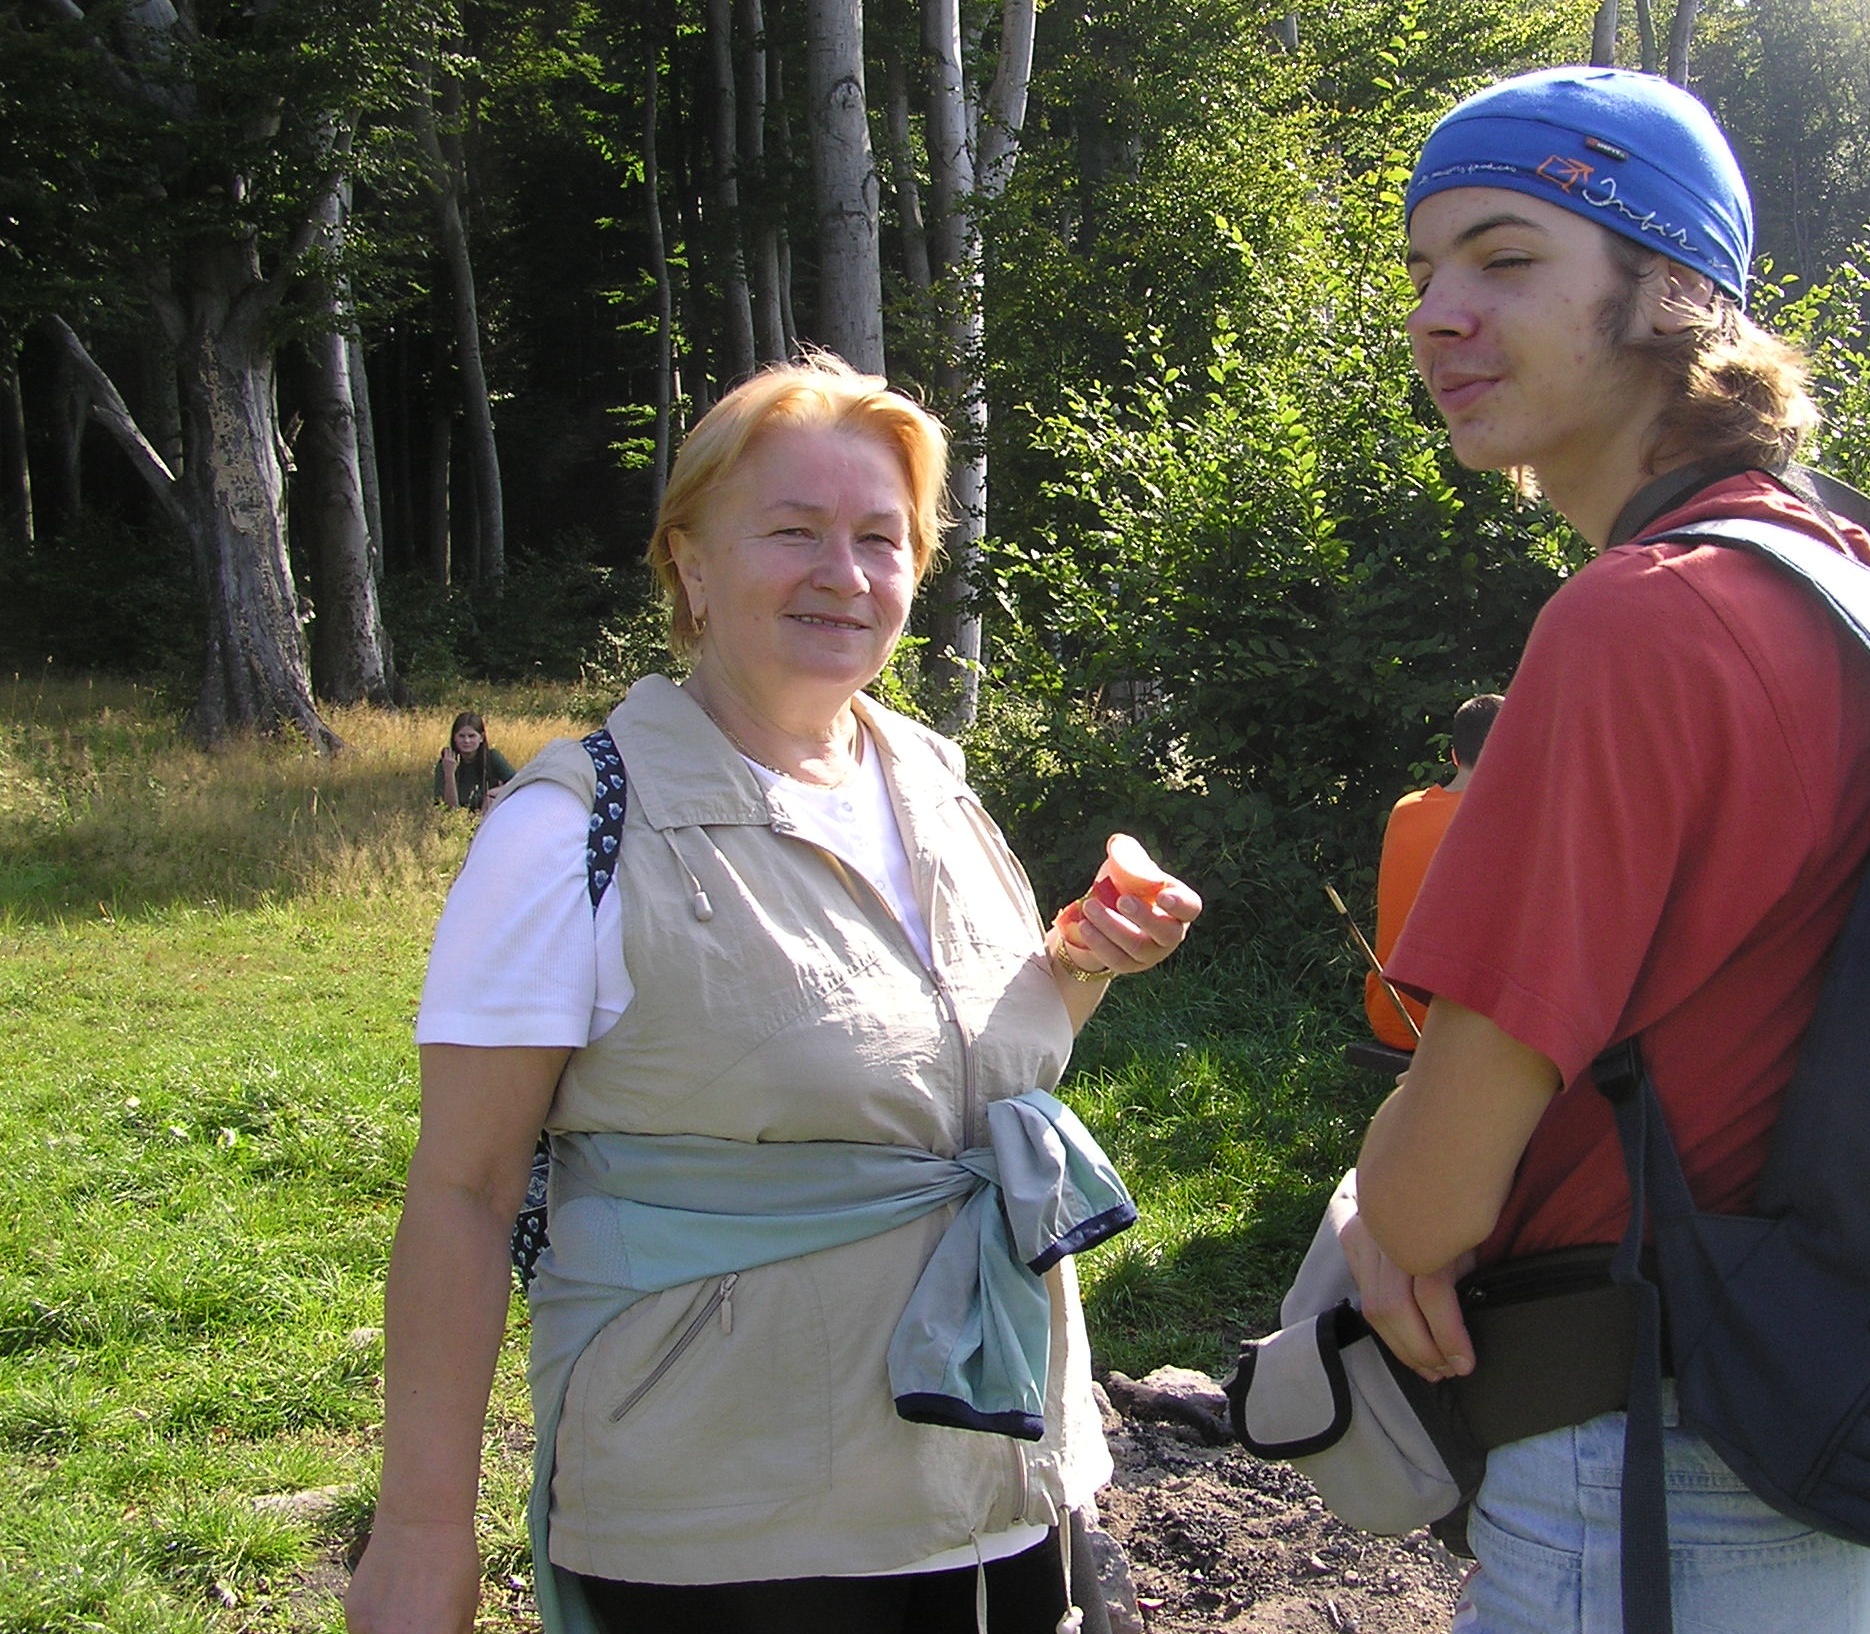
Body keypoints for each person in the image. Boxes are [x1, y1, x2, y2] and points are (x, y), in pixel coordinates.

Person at [345, 355, 1200, 1634]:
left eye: (879, 537)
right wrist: (420, 1532)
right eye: (792, 531)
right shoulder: (566, 829)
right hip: (727, 1520)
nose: (842, 573)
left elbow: (936, 1093)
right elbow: (463, 1190)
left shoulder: (934, 785)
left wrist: (1080, 960)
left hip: (996, 1470)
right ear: (689, 563)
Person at [1339, 67, 1870, 1632]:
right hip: (1839, 1433)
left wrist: (1379, 1212)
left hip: (1660, 1480)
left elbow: (1428, 1201)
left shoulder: (1641, 617)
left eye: (1506, 258)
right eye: (1425, 269)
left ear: (1671, 292)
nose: (1438, 314)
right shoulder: (1847, 570)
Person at [1364, 694, 1504, 1049]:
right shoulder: (1505, 820)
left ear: (1454, 755)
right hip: (1459, 1034)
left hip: (1391, 1016)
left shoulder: (1405, 810)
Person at [433, 712, 515, 812]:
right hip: (459, 817)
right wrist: (449, 774)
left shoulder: (492, 757)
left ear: (481, 737)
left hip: (489, 815)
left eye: (471, 736)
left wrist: (492, 793)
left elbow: (517, 783)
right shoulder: (446, 763)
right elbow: (450, 810)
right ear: (454, 738)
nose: (466, 741)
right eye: (461, 736)